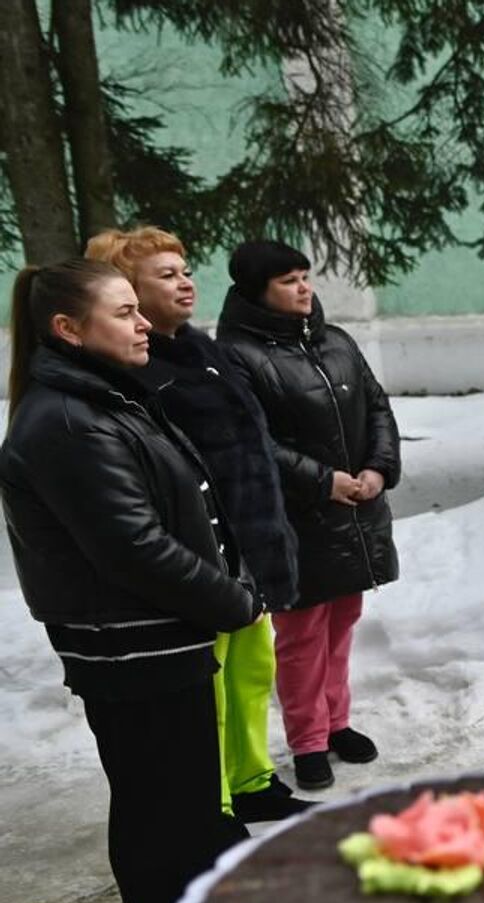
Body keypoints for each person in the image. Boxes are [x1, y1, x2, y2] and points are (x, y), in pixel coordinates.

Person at [1, 259, 259, 903]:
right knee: (163, 821)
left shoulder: (101, 398)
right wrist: (233, 600)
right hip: (133, 649)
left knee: (182, 813)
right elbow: (133, 548)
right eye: (123, 312)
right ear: (67, 328)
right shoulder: (68, 421)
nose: (144, 321)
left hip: (158, 644)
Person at [86, 227, 311, 823]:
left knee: (250, 670)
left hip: (249, 544)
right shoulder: (136, 367)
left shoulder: (201, 348)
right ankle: (212, 802)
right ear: (126, 292)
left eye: (185, 269)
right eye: (166, 274)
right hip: (201, 552)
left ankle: (253, 779)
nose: (186, 282)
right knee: (205, 685)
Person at [216, 241, 400, 791]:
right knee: (300, 638)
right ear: (256, 293)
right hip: (293, 522)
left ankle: (336, 721)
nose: (304, 288)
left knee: (342, 625)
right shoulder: (235, 356)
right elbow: (251, 441)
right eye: (288, 281)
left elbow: (377, 407)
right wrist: (323, 481)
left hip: (355, 515)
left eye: (305, 276)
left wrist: (378, 468)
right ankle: (308, 742)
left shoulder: (336, 342)